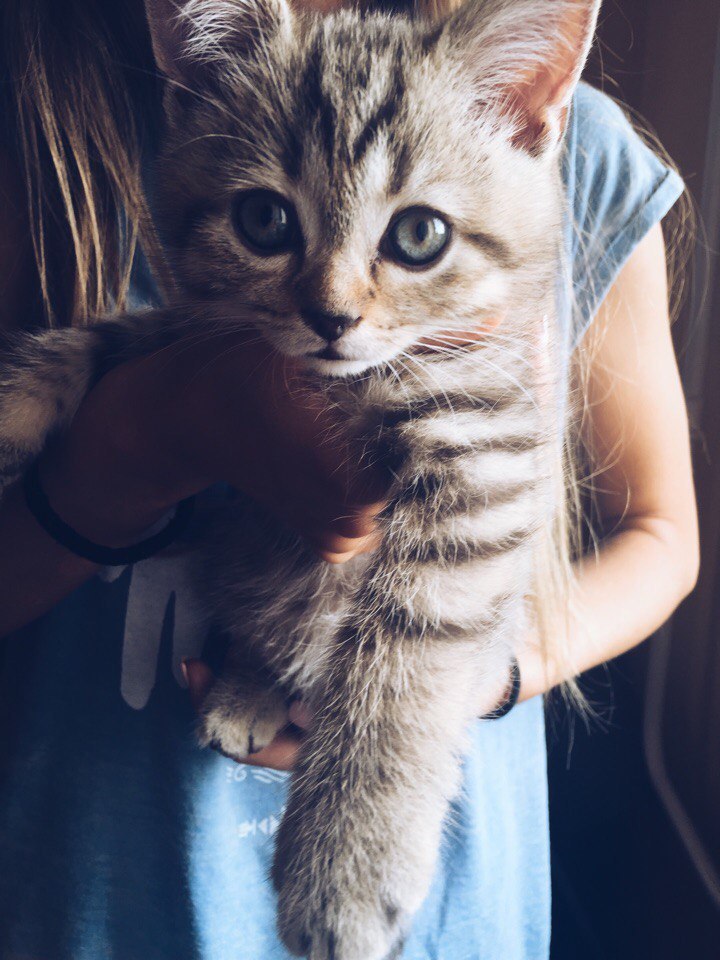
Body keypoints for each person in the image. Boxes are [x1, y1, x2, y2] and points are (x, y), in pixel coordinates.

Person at [0, 0, 698, 957]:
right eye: (268, 219)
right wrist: (145, 433)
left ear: (529, 117)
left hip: (452, 905)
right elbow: (164, 345)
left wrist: (443, 702)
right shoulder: (37, 109)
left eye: (413, 237)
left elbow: (655, 535)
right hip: (99, 897)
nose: (334, 300)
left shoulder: (589, 158)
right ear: (190, 89)